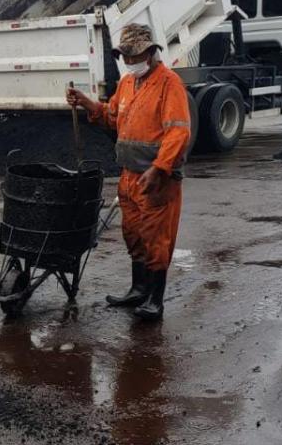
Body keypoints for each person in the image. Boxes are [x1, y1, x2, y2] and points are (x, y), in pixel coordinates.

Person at [66, 23, 191, 321]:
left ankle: (155, 300)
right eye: (125, 57)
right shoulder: (127, 84)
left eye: (134, 57)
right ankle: (138, 289)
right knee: (133, 234)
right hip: (129, 176)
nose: (129, 62)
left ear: (150, 52)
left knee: (156, 238)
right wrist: (87, 103)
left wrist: (160, 168)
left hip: (156, 180)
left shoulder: (169, 84)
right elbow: (112, 116)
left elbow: (178, 132)